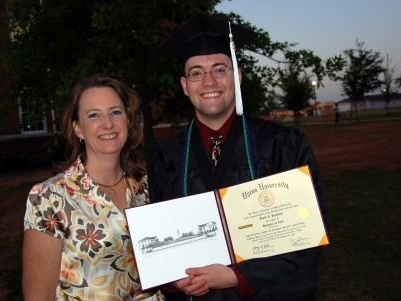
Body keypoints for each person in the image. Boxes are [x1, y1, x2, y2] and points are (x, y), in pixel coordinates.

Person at [147, 13, 328, 301]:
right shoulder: (164, 154)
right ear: (184, 85)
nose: (208, 81)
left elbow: (306, 233)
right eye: (196, 72)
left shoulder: (282, 145)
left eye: (220, 69)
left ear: (238, 77)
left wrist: (237, 276)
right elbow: (156, 239)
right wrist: (173, 280)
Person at [22, 74, 165, 300]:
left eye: (116, 112)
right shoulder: (49, 197)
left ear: (128, 120)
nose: (107, 123)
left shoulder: (150, 184)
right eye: (94, 115)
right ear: (78, 129)